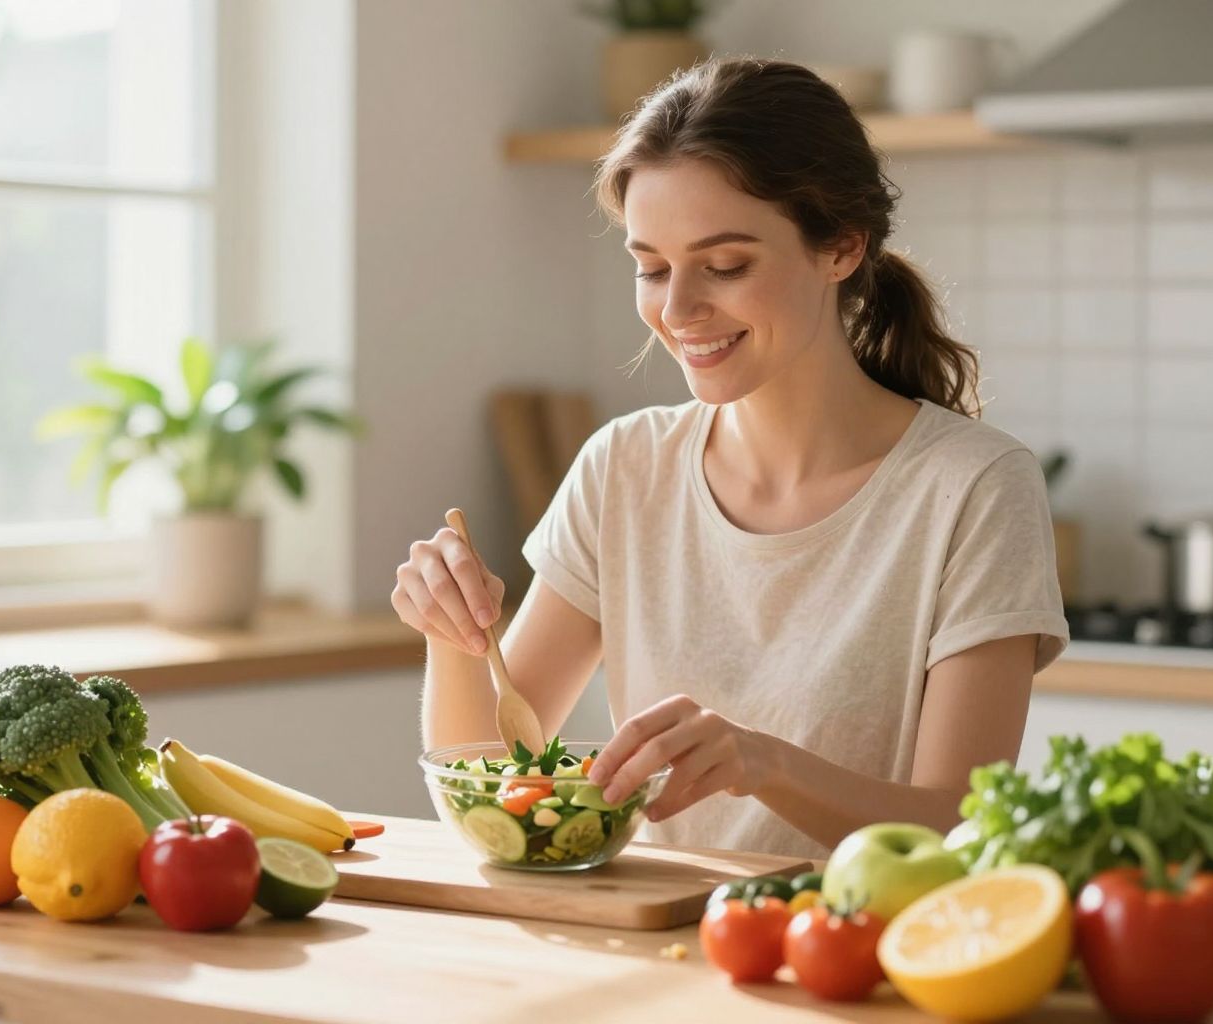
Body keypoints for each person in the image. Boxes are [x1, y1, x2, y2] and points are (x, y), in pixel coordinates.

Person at [391, 57, 1069, 859]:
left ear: (842, 247)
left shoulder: (974, 488)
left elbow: (961, 831)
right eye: (651, 268)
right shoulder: (624, 468)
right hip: (661, 948)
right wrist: (454, 638)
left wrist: (762, 764)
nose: (677, 311)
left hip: (851, 959)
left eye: (725, 267)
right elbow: (495, 780)